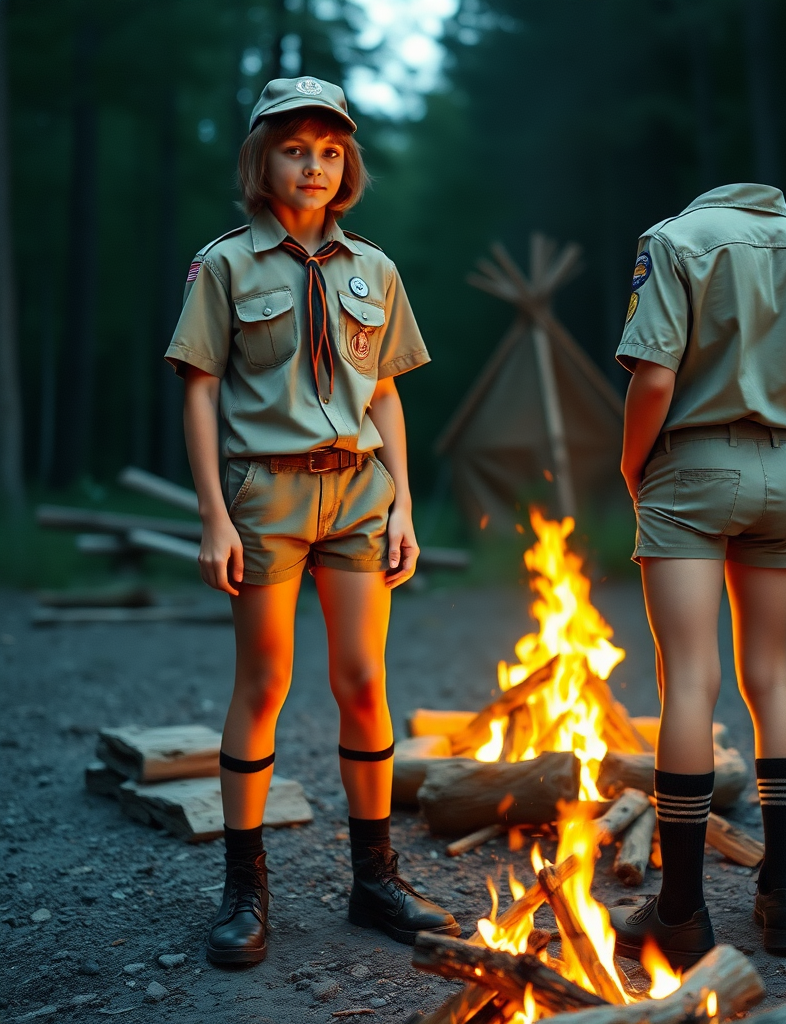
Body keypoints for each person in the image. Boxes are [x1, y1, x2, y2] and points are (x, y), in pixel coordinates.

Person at [165, 77, 459, 967]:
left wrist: (404, 501)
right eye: (296, 148)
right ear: (263, 159)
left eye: (331, 151)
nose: (315, 165)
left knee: (364, 680)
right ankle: (243, 889)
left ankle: (374, 879)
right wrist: (214, 515)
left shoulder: (375, 268)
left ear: (348, 164)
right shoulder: (225, 264)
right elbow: (201, 389)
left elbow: (386, 394)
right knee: (265, 682)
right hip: (268, 496)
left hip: (359, 492)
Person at [608, 183, 786, 967]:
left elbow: (653, 378)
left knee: (690, 680)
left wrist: (634, 467)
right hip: (784, 471)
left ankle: (681, 913)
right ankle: (782, 896)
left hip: (690, 467)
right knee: (770, 677)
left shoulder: (675, 239)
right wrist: (783, 458)